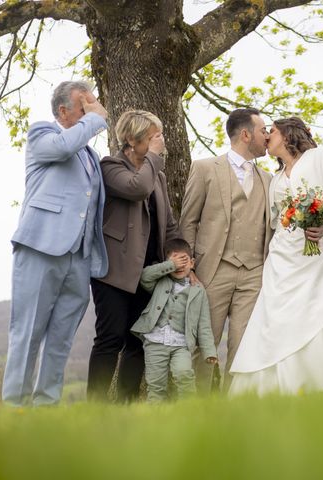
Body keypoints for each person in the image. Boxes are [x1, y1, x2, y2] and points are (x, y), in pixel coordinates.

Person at [229, 117, 323, 396]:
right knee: (279, 320)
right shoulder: (276, 178)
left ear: (288, 133)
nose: (267, 136)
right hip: (284, 258)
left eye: (272, 131)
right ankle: (276, 389)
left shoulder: (322, 157)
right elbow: (275, 220)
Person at [2, 81, 109, 406]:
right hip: (40, 248)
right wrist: (96, 117)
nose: (91, 108)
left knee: (61, 339)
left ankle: (45, 408)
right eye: (84, 104)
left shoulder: (90, 154)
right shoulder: (41, 135)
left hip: (78, 258)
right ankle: (14, 407)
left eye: (92, 103)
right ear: (63, 110)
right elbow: (63, 147)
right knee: (28, 332)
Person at [87, 110, 179, 402]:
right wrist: (153, 157)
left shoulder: (159, 177)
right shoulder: (110, 166)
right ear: (131, 139)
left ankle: (125, 406)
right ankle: (96, 407)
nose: (160, 141)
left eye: (159, 136)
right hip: (115, 271)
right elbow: (136, 187)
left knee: (138, 341)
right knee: (110, 338)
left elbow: (169, 224)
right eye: (153, 137)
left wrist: (181, 255)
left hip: (149, 273)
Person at [179, 107, 273, 392]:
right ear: (245, 135)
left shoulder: (269, 180)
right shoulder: (205, 168)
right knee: (204, 344)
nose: (267, 136)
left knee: (245, 346)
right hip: (212, 271)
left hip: (255, 273)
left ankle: (235, 408)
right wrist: (189, 269)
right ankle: (197, 408)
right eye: (262, 130)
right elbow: (188, 221)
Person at [130, 239, 218, 402]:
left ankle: (188, 412)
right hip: (155, 341)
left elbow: (204, 325)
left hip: (181, 345)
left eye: (183, 260)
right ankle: (155, 419)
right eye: (175, 260)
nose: (179, 265)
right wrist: (169, 265)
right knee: (156, 385)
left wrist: (209, 351)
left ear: (192, 263)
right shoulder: (160, 282)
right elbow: (145, 276)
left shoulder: (198, 291)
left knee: (184, 374)